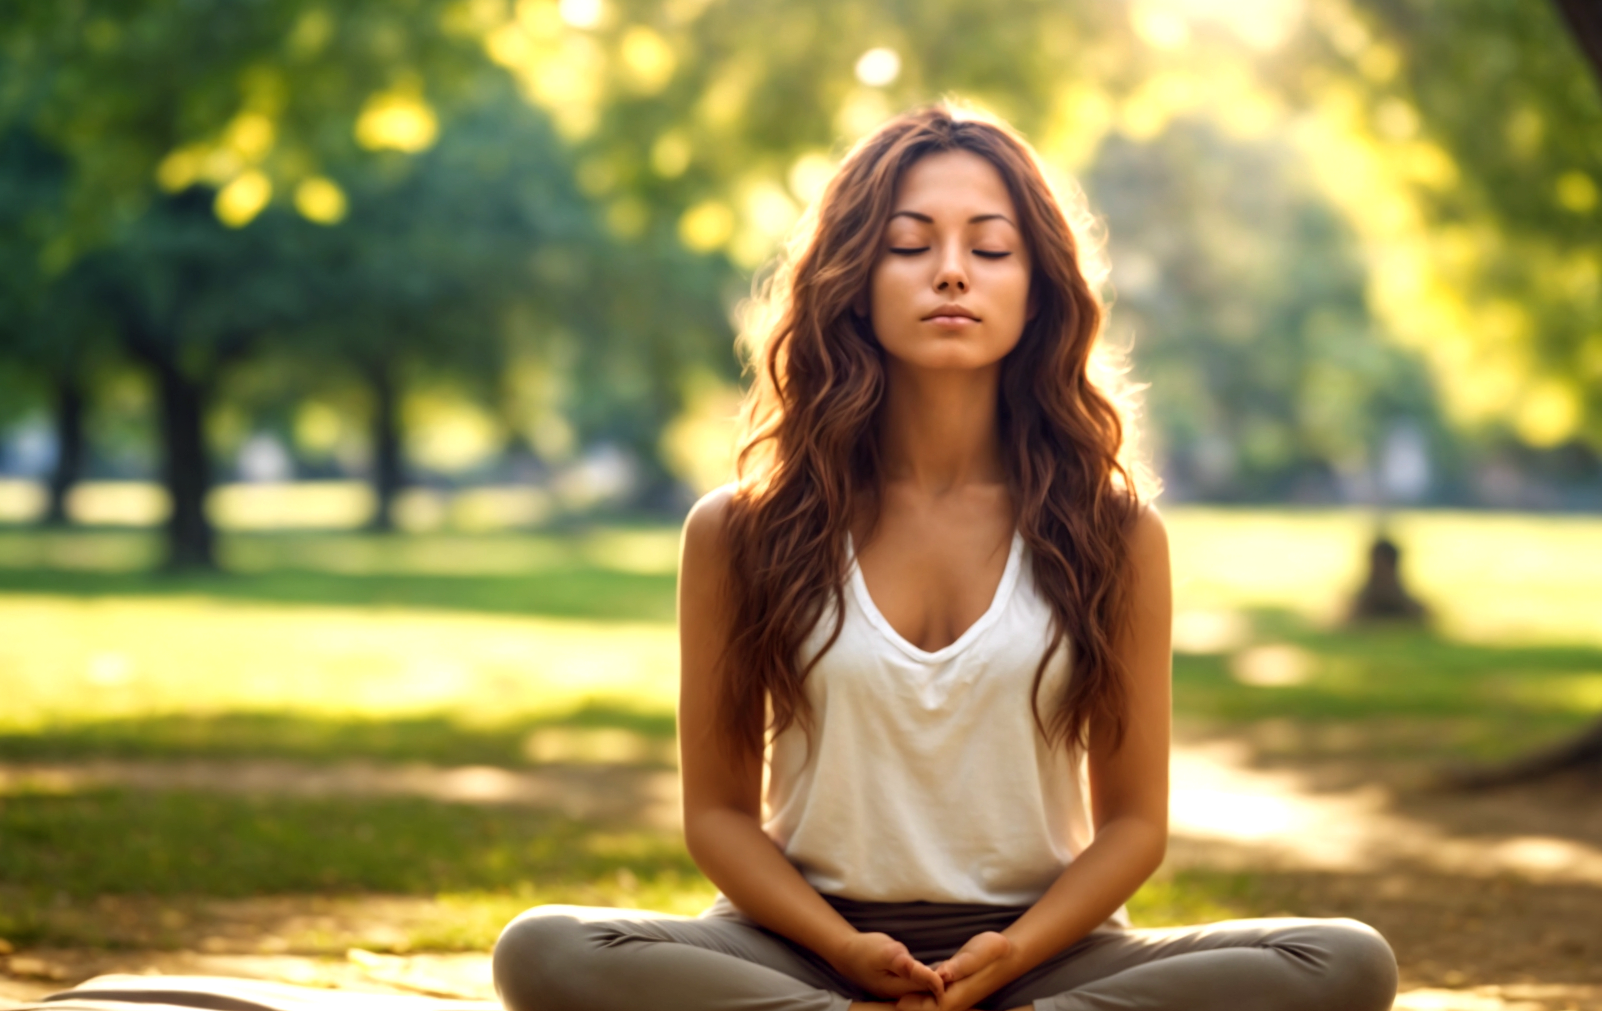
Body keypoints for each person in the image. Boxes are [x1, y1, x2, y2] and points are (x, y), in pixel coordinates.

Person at [493, 104, 1398, 1011]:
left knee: (1341, 960)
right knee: (548, 949)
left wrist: (1011, 953)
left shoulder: (1113, 533)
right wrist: (844, 951)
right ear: (854, 277)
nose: (953, 272)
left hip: (1040, 953)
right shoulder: (741, 530)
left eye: (992, 249)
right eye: (910, 244)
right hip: (797, 945)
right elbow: (719, 817)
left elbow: (1132, 828)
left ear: (1037, 290)